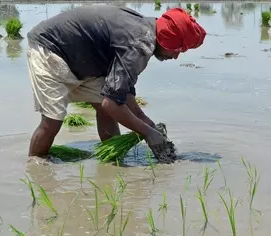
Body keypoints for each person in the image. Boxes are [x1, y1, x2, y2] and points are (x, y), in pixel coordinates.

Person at [26, 5, 206, 158]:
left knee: (106, 111)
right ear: (167, 40)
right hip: (51, 50)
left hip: (82, 59)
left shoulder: (143, 31)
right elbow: (111, 103)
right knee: (52, 121)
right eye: (177, 49)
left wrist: (148, 123)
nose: (175, 56)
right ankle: (35, 166)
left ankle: (112, 160)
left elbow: (122, 94)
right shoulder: (139, 44)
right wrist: (148, 133)